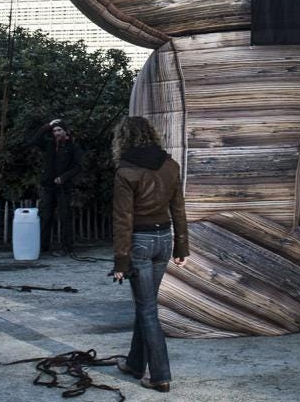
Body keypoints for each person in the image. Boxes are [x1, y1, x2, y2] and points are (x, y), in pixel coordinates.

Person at [111, 116, 189, 393]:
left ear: (124, 139)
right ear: (151, 135)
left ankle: (160, 375)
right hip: (164, 241)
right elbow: (178, 209)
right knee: (145, 306)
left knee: (146, 309)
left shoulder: (125, 171)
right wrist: (181, 247)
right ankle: (134, 363)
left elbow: (123, 219)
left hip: (140, 243)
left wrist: (120, 261)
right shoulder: (170, 166)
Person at [24, 117, 85, 255]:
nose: (56, 133)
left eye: (59, 130)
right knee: (45, 216)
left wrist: (63, 177)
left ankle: (67, 248)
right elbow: (33, 141)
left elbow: (78, 167)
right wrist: (47, 126)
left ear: (65, 131)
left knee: (65, 217)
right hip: (48, 186)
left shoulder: (73, 147)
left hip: (63, 187)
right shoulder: (50, 145)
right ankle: (43, 247)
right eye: (54, 131)